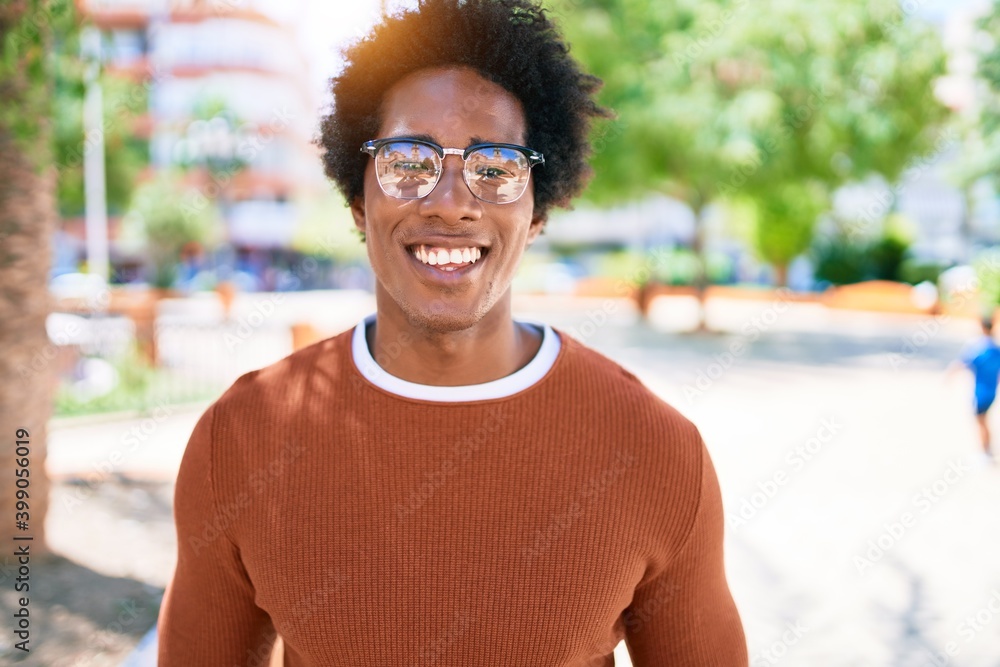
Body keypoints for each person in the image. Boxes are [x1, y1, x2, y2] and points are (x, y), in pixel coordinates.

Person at [157, 1, 748, 665]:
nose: (450, 201)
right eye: (410, 161)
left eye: (495, 168)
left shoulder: (655, 449)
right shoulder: (240, 438)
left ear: (538, 210)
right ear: (359, 199)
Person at [948, 316, 1000, 466]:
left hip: (981, 391)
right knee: (984, 421)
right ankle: (987, 450)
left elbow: (963, 363)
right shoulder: (996, 349)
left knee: (980, 421)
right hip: (992, 391)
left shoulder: (979, 348)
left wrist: (949, 377)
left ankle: (985, 452)